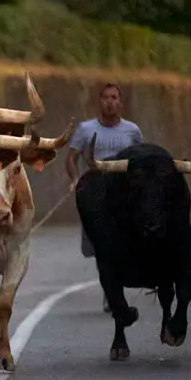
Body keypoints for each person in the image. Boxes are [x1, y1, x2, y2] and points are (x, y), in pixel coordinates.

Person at [64, 83, 144, 313]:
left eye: (114, 97)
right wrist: (75, 179)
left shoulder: (132, 131)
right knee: (101, 245)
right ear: (99, 101)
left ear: (121, 102)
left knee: (124, 240)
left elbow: (141, 158)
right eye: (106, 97)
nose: (110, 101)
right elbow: (71, 158)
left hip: (124, 191)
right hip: (97, 190)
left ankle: (115, 287)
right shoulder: (86, 129)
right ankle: (111, 291)